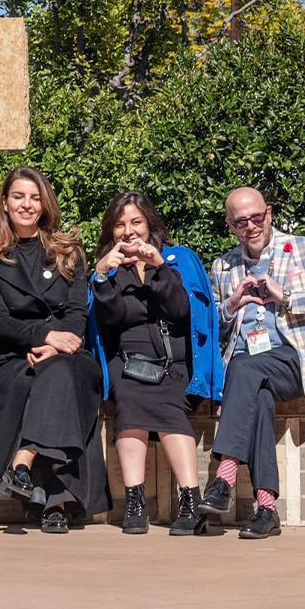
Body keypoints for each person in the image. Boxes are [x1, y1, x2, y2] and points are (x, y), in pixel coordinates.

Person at [201, 186, 305, 539]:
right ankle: (267, 508)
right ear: (230, 225)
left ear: (269, 214)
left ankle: (223, 477)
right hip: (250, 370)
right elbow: (209, 322)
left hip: (294, 359)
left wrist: (287, 297)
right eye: (241, 222)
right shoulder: (223, 265)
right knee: (255, 394)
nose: (251, 227)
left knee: (244, 369)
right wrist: (231, 304)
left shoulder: (304, 248)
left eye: (257, 218)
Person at [0, 167, 107, 534]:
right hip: (16, 355)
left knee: (63, 372)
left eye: (35, 198)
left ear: (45, 204)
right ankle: (57, 505)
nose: (27, 205)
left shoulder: (68, 251)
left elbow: (78, 311)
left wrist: (60, 344)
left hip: (70, 350)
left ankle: (23, 461)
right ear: (5, 202)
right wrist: (46, 337)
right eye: (18, 196)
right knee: (50, 380)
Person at [87, 191, 222, 537]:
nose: (128, 232)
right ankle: (135, 502)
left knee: (169, 403)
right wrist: (102, 277)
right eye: (119, 225)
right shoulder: (110, 266)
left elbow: (182, 311)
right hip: (127, 362)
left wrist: (159, 266)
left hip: (174, 362)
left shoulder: (179, 259)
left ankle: (190, 502)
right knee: (128, 400)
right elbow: (111, 318)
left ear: (149, 225)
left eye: (135, 222)